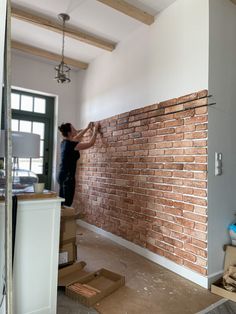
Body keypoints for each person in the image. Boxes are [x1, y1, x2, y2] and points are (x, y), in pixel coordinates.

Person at [57, 121, 99, 206]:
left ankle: (62, 218)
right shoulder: (72, 145)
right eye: (73, 129)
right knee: (67, 203)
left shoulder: (64, 143)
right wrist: (96, 130)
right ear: (69, 133)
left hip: (62, 175)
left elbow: (77, 137)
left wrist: (87, 128)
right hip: (68, 178)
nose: (76, 129)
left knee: (63, 201)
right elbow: (90, 143)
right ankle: (64, 218)